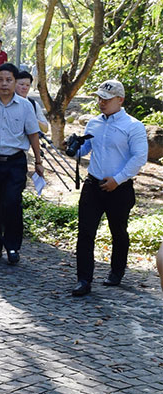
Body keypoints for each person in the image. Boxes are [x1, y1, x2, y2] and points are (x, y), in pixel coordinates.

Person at [71, 79, 148, 297]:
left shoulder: (133, 126)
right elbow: (84, 149)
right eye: (99, 98)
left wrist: (118, 179)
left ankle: (117, 271)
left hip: (120, 188)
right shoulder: (93, 123)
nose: (101, 102)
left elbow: (139, 157)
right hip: (93, 185)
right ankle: (83, 280)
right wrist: (73, 147)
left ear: (120, 100)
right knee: (85, 232)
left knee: (118, 230)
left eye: (106, 99)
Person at [0, 63, 43, 264]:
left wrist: (38, 161)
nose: (4, 84)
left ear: (14, 82)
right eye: (1, 80)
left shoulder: (26, 106)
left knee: (12, 203)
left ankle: (12, 247)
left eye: (9, 80)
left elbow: (33, 134)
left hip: (15, 162)